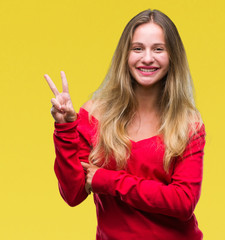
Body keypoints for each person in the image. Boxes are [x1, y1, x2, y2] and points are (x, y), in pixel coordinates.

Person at [44, 9, 206, 240]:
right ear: (125, 55)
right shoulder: (94, 115)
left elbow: (183, 202)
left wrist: (108, 180)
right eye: (137, 48)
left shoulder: (188, 123)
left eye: (158, 49)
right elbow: (73, 194)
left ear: (172, 57)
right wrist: (65, 129)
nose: (147, 58)